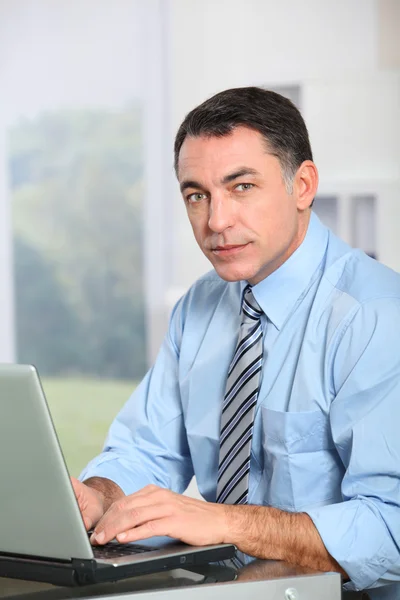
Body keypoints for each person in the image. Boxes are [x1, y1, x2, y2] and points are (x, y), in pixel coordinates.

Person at [72, 87, 400, 597]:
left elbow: (392, 529)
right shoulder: (199, 307)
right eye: (196, 195)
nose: (216, 222)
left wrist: (228, 523)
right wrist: (100, 496)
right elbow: (149, 449)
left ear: (303, 186)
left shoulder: (377, 317)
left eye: (241, 186)